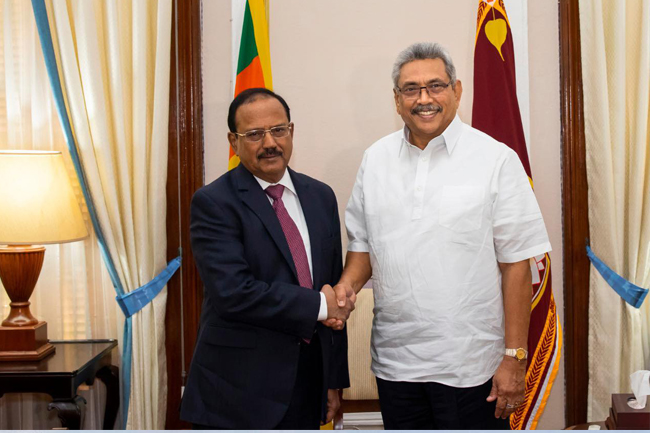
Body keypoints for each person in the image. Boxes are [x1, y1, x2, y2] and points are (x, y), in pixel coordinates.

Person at [333, 42, 552, 429]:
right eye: (411, 89)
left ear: (457, 90)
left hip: (472, 368)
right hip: (396, 365)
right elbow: (364, 246)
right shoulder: (375, 160)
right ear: (397, 101)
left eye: (436, 85)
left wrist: (515, 358)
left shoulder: (496, 159)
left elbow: (517, 264)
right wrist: (346, 289)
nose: (424, 99)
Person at [180, 88, 353, 430]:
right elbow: (233, 294)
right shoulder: (214, 203)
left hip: (307, 385)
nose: (269, 143)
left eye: (278, 130)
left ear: (291, 131)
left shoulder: (320, 196)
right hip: (237, 392)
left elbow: (331, 286)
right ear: (234, 141)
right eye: (254, 134)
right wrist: (321, 305)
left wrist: (333, 381)